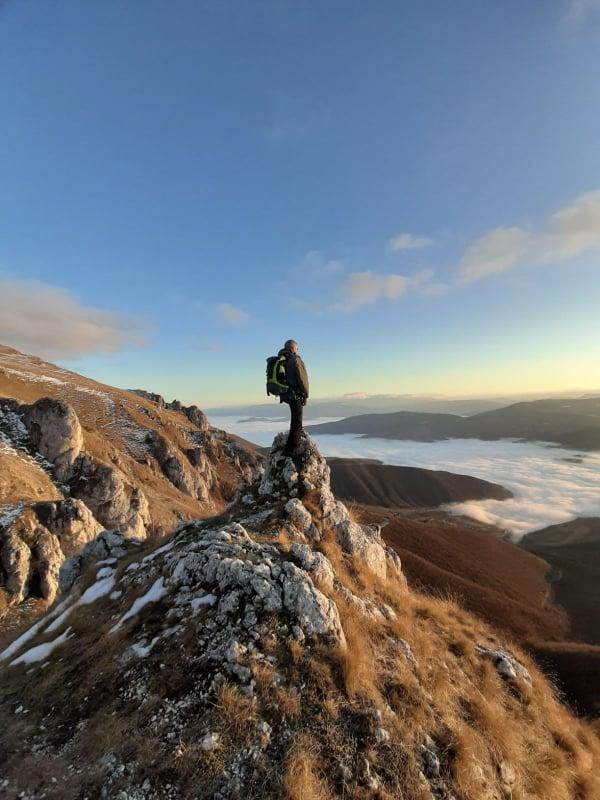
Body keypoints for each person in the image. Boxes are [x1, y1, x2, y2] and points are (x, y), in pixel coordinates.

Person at [278, 339, 309, 455]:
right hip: (294, 394)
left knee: (294, 418)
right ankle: (292, 449)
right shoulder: (295, 360)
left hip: (285, 394)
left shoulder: (281, 359)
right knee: (297, 420)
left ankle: (291, 445)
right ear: (292, 348)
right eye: (297, 348)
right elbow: (303, 380)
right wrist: (305, 395)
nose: (297, 350)